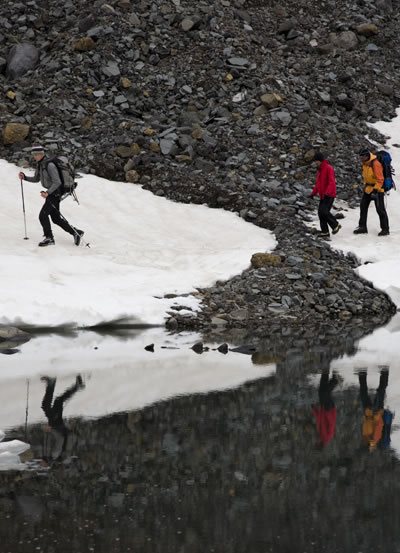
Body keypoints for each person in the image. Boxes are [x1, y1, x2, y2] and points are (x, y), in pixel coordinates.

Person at [18, 145, 84, 247]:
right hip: (52, 193)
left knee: (42, 215)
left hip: (55, 193)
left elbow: (57, 182)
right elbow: (36, 179)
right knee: (56, 218)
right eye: (33, 154)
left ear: (42, 154)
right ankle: (76, 232)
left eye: (36, 154)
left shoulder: (49, 165)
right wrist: (25, 177)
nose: (34, 156)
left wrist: (47, 193)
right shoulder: (41, 164)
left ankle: (49, 238)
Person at [40, 374, 85, 464]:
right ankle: (52, 383)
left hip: (57, 424)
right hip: (56, 424)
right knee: (46, 405)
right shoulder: (54, 455)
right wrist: (51, 430)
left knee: (58, 401)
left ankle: (77, 386)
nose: (41, 464)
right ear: (47, 464)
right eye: (43, 465)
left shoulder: (51, 456)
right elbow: (60, 439)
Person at [353, 148, 390, 236]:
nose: (360, 159)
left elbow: (380, 179)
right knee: (363, 206)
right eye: (360, 157)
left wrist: (375, 189)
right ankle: (362, 227)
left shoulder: (375, 164)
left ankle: (385, 229)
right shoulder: (365, 164)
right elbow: (366, 176)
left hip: (377, 189)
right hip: (368, 188)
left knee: (380, 210)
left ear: (366, 156)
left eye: (362, 157)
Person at [310, 152, 341, 238]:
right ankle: (325, 232)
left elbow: (332, 182)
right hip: (323, 195)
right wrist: (313, 193)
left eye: (316, 161)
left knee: (324, 211)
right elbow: (318, 184)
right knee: (321, 213)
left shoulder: (328, 168)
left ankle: (335, 224)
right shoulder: (319, 170)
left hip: (329, 194)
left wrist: (328, 192)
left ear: (320, 160)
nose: (315, 162)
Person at [358, 367, 389, 451]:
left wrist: (365, 418)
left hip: (367, 412)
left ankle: (362, 374)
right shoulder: (375, 438)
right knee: (380, 391)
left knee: (363, 392)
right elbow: (380, 424)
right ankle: (385, 373)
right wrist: (374, 415)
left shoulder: (366, 437)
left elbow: (366, 424)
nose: (362, 443)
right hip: (376, 411)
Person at [312, 369, 338, 447]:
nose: (315, 440)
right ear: (320, 443)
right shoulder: (327, 437)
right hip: (329, 410)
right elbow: (331, 424)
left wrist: (314, 410)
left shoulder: (320, 434)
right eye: (316, 442)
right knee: (325, 393)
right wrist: (328, 412)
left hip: (324, 409)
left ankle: (325, 372)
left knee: (321, 391)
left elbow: (319, 419)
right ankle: (335, 380)